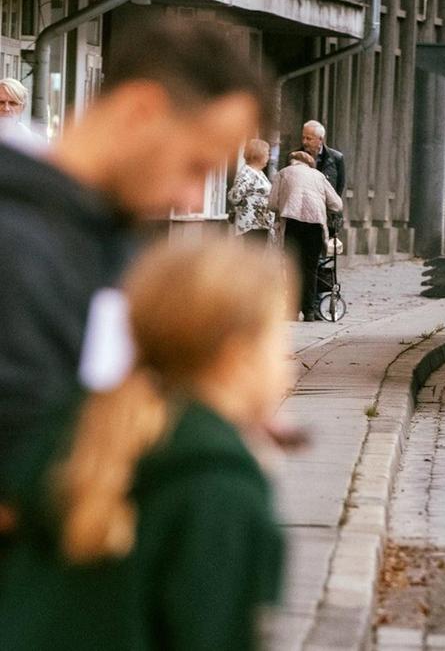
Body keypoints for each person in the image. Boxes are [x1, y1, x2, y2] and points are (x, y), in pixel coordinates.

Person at [0, 18, 273, 516]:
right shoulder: (21, 235)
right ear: (140, 110)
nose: (193, 198)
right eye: (196, 165)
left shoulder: (109, 239)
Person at [0, 238, 293, 650]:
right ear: (237, 354)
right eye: (279, 340)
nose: (287, 360)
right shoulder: (220, 488)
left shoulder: (79, 430)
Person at [269, 151, 342, 321]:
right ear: (309, 164)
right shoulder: (318, 176)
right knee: (310, 268)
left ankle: (292, 310)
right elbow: (337, 204)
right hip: (314, 226)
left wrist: (284, 204)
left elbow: (272, 203)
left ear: (292, 162)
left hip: (292, 224)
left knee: (292, 268)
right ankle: (309, 311)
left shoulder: (283, 173)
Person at [300, 120, 346, 233]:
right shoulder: (295, 156)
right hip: (301, 216)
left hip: (325, 216)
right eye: (303, 138)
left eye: (309, 138)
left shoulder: (336, 158)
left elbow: (339, 187)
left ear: (320, 139)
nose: (304, 142)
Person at [228, 138, 275, 241]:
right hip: (252, 224)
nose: (269, 156)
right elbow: (235, 196)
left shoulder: (259, 172)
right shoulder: (247, 173)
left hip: (261, 223)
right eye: (267, 153)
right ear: (259, 154)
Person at [0, 78, 43, 151]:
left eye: (13, 103)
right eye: (1, 102)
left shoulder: (37, 144)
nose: (6, 108)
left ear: (22, 108)